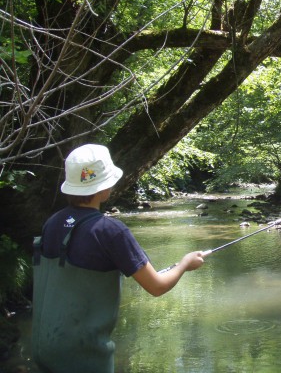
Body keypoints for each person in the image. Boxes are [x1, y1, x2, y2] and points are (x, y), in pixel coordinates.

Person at [31, 144, 205, 373]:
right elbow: (157, 287)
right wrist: (185, 264)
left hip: (44, 350)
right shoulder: (110, 231)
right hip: (85, 357)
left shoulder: (52, 223)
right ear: (104, 188)